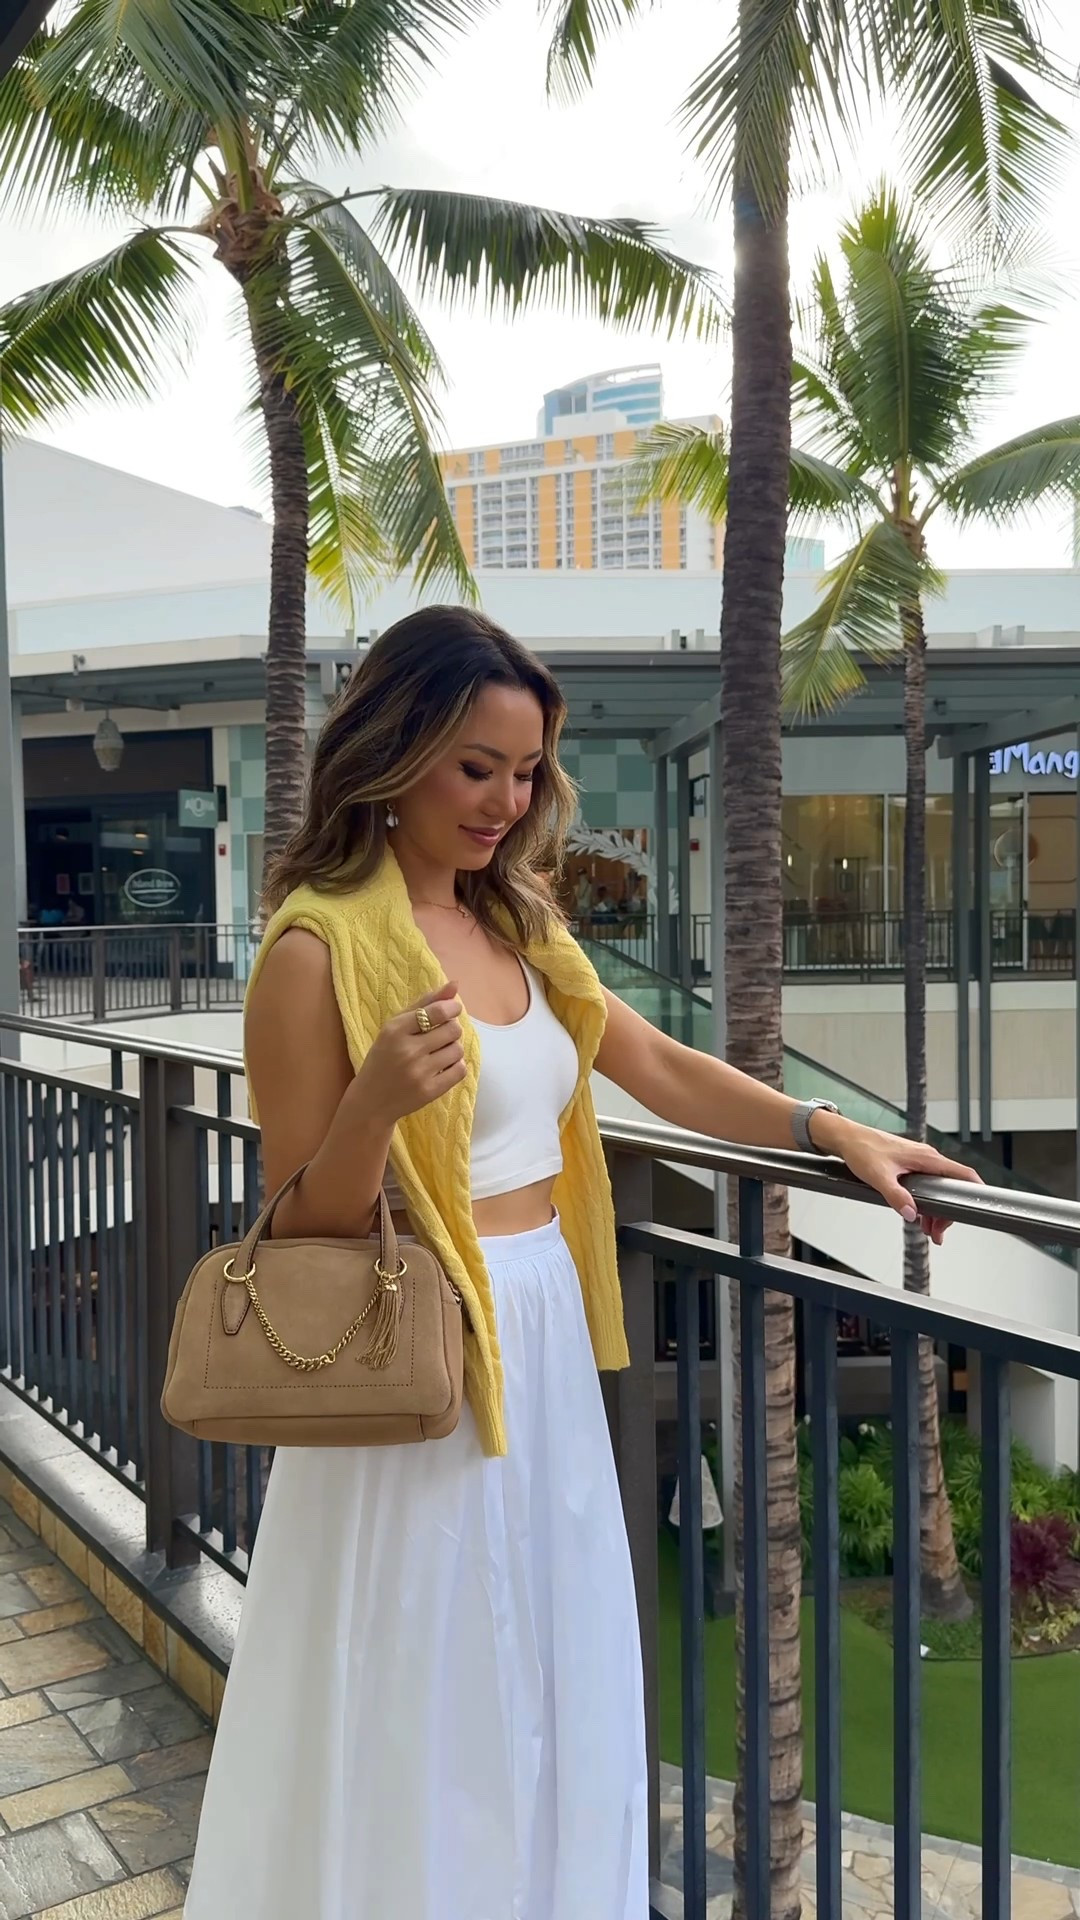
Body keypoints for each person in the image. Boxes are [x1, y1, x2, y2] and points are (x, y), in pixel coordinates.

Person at [184, 607, 976, 1920]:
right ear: (398, 749)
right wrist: (376, 1104)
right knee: (428, 1686)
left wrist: (833, 1134)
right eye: (475, 766)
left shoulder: (522, 921)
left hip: (546, 1323)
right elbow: (298, 1225)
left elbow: (653, 1066)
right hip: (421, 1348)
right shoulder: (317, 946)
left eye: (528, 769)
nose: (507, 799)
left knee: (549, 1665)